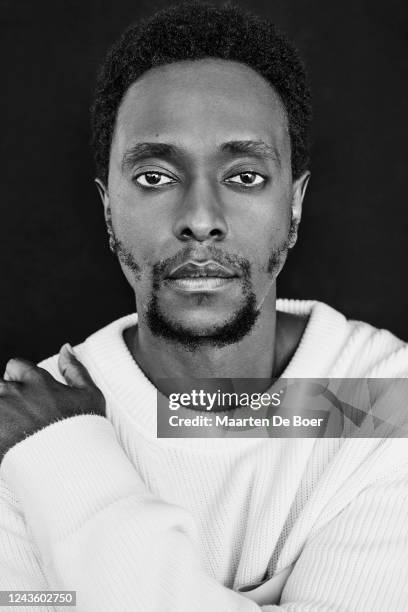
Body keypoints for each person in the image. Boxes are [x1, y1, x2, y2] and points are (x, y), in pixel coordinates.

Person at [1, 2, 408, 610]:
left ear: (294, 206)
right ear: (107, 205)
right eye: (155, 177)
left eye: (244, 177)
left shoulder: (377, 397)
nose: (199, 220)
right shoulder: (22, 420)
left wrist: (70, 472)